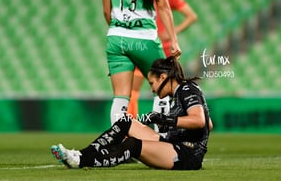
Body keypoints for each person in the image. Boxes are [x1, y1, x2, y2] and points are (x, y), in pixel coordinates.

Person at [51, 56, 213, 170]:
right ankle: (80, 154)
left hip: (187, 154)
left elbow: (200, 121)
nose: (152, 89)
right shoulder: (180, 93)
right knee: (125, 122)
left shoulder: (186, 89)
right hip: (174, 142)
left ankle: (80, 161)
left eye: (152, 83)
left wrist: (165, 119)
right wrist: (168, 125)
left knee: (133, 145)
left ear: (163, 77)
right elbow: (209, 124)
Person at [100, 0, 181, 124]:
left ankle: (118, 145)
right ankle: (161, 137)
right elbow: (163, 6)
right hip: (145, 39)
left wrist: (119, 30)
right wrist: (174, 40)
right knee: (165, 90)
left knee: (121, 97)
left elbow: (106, 11)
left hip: (116, 39)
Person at [128, 0, 197, 119]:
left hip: (160, 51)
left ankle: (161, 127)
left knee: (160, 90)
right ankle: (133, 127)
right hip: (143, 49)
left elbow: (192, 16)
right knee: (133, 90)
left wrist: (173, 33)